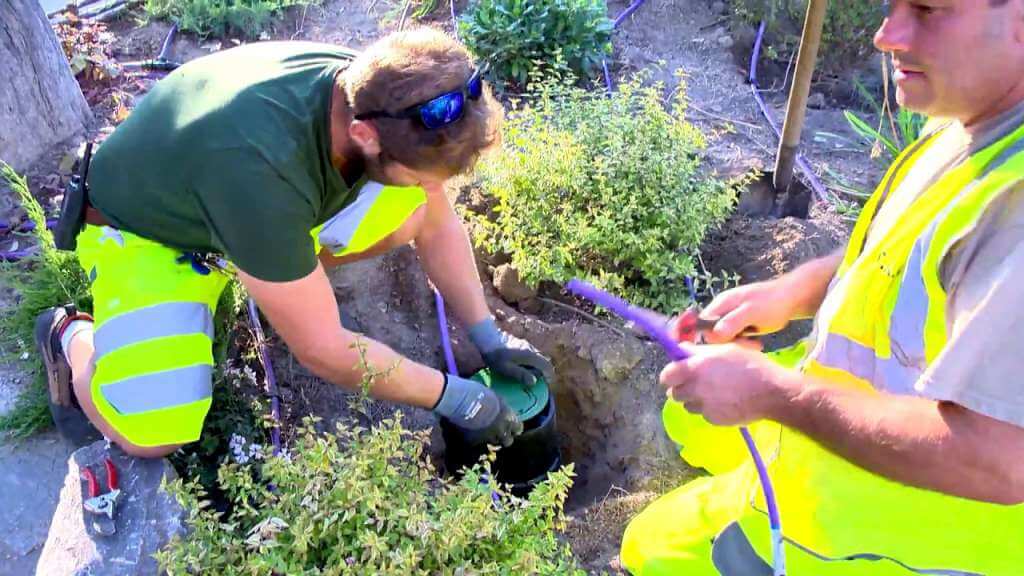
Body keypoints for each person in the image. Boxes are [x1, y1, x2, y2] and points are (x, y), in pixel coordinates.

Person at [622, 1, 1024, 574]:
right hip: (849, 438)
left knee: (653, 556)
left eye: (930, 9)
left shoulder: (1015, 210)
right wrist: (789, 294)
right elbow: (897, 249)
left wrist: (777, 396)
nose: (888, 36)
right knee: (685, 426)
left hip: (889, 541)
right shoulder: (978, 115)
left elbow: (997, 460)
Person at [35, 28, 552, 458]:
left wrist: (489, 340)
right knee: (154, 434)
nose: (429, 187)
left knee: (417, 208)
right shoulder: (261, 180)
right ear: (366, 137)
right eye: (420, 174)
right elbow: (324, 352)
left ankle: (280, 276)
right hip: (147, 232)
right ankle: (70, 337)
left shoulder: (380, 91)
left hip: (237, 197)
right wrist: (456, 398)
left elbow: (436, 222)